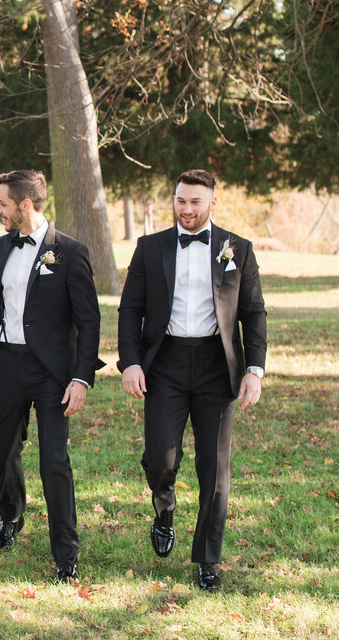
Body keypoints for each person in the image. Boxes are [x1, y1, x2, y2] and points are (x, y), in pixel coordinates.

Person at [118, 169, 267, 592]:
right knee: (160, 459)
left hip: (216, 368)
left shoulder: (238, 248)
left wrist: (253, 370)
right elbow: (130, 309)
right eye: (181, 201)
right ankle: (163, 506)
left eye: (195, 202)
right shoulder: (150, 247)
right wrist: (131, 362)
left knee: (214, 469)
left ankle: (207, 558)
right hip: (163, 363)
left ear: (212, 203)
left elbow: (253, 313)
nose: (186, 209)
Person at [0, 170, 103, 583]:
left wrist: (81, 379)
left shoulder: (70, 251)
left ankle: (66, 552)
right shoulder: (1, 246)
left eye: (3, 203)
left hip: (53, 373)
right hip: (8, 364)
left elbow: (90, 320)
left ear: (25, 205)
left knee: (54, 461)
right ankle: (11, 517)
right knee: (3, 450)